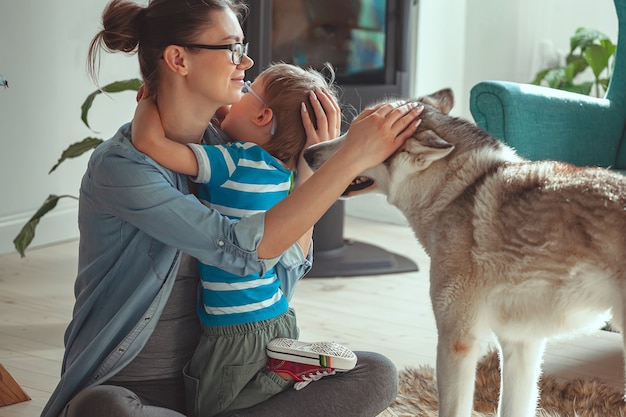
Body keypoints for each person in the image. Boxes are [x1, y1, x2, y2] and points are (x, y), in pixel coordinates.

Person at [40, 0, 423, 416]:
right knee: (100, 409)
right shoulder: (123, 167)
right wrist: (348, 159)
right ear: (178, 59)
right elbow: (243, 251)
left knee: (376, 374)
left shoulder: (233, 151)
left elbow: (281, 271)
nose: (247, 60)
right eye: (231, 47)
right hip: (136, 389)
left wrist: (311, 167)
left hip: (228, 376)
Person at [132, 62, 359, 416]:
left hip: (234, 329)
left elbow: (148, 142)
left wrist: (150, 96)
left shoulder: (234, 161)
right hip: (276, 314)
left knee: (208, 407)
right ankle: (286, 367)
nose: (234, 97)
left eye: (246, 90)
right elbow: (232, 112)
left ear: (262, 115)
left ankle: (281, 373)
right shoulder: (284, 175)